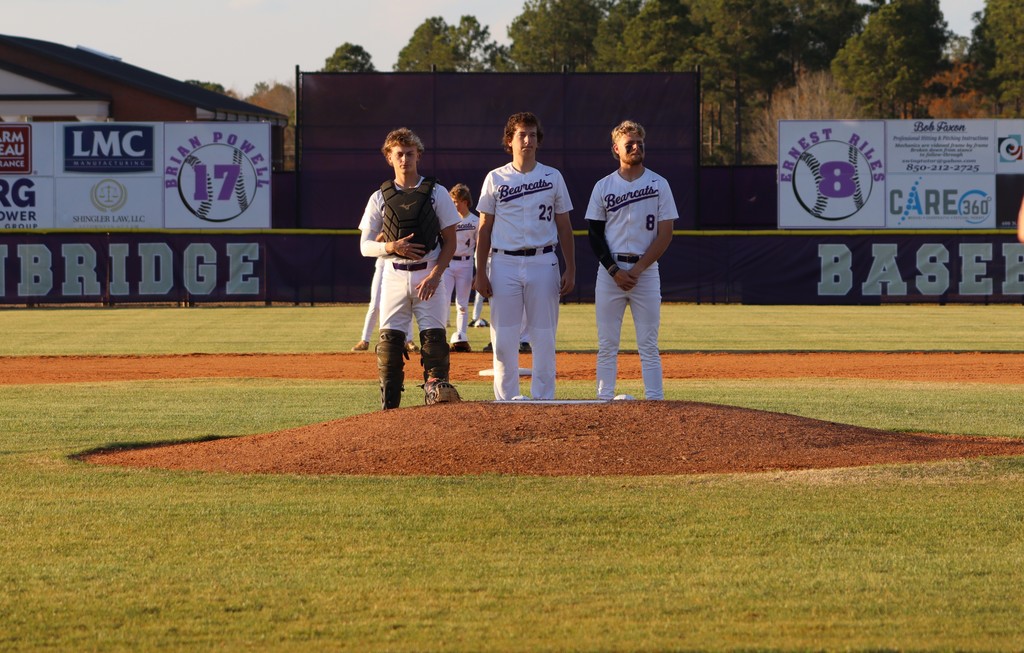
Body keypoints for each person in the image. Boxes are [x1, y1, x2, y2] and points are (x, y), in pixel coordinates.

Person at [358, 127, 462, 409]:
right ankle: (391, 411)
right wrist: (391, 247)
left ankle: (436, 403)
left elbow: (451, 241)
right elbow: (365, 246)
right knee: (389, 348)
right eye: (399, 154)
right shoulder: (379, 197)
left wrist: (435, 275)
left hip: (429, 273)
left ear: (419, 155)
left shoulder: (436, 192)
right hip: (394, 274)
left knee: (434, 344)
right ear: (389, 158)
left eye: (410, 154)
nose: (405, 159)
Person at [474, 112, 575, 401]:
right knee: (503, 341)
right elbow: (484, 228)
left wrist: (571, 267)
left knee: (544, 338)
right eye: (522, 134)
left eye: (532, 134)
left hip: (544, 261)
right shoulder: (495, 177)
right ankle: (506, 401)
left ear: (538, 141)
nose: (528, 140)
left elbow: (565, 226)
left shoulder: (552, 176)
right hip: (503, 262)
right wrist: (480, 272)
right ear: (510, 140)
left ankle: (543, 400)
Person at [585, 119, 677, 400]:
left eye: (639, 143)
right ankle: (603, 399)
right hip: (610, 273)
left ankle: (654, 399)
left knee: (648, 344)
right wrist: (614, 270)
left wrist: (637, 270)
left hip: (645, 272)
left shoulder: (659, 183)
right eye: (629, 144)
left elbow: (666, 234)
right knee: (607, 343)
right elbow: (594, 234)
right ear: (616, 149)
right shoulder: (603, 186)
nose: (636, 147)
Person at [352, 239, 416, 353]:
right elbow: (372, 243)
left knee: (406, 302)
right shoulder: (382, 222)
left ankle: (408, 341)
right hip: (383, 263)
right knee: (375, 304)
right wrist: (384, 234)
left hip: (401, 264)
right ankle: (364, 340)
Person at [444, 183, 480, 352]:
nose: (454, 204)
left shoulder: (475, 221)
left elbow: (479, 247)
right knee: (443, 302)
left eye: (456, 201)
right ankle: (440, 338)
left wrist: (478, 271)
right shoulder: (448, 219)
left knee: (462, 304)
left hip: (465, 263)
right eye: (452, 201)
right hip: (448, 263)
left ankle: (461, 337)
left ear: (465, 201)